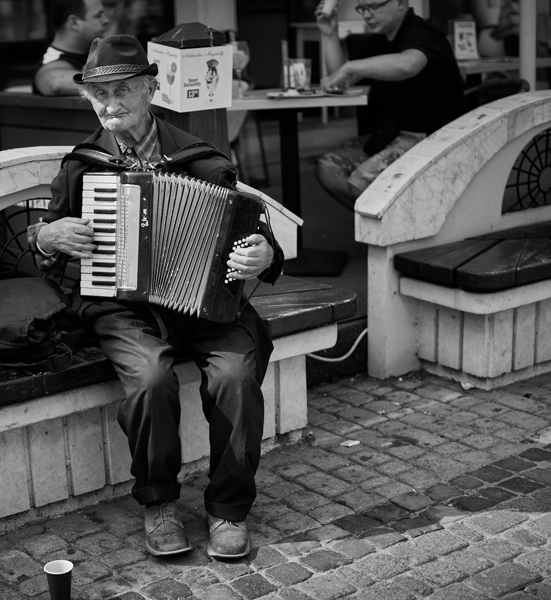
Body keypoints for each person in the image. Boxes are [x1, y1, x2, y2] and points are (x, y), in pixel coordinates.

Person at [28, 35, 284, 559]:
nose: (110, 104)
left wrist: (265, 254)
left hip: (205, 304)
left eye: (122, 90)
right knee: (150, 378)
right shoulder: (83, 165)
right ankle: (159, 503)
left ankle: (228, 509)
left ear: (150, 89)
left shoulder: (202, 159)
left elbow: (253, 231)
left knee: (236, 376)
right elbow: (45, 239)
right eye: (99, 95)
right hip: (122, 307)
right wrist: (48, 236)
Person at [315, 0, 465, 209]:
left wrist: (350, 68)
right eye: (362, 8)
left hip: (429, 139)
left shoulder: (422, 32)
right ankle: (388, 221)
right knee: (327, 169)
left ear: (400, 3)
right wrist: (330, 34)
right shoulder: (380, 39)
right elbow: (338, 78)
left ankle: (400, 222)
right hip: (389, 135)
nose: (367, 15)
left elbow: (408, 64)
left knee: (359, 185)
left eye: (374, 7)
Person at [33, 0, 110, 96]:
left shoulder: (99, 54)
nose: (106, 20)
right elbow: (55, 83)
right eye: (98, 16)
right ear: (74, 23)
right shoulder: (51, 64)